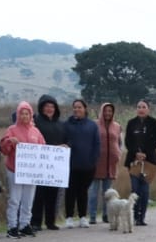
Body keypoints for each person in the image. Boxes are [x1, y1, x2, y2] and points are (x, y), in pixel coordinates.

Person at [0, 101, 45, 238]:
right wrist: (9, 142)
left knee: (28, 199)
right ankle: (12, 226)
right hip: (15, 169)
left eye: (27, 113)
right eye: (22, 113)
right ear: (18, 114)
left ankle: (25, 224)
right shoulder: (11, 129)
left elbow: (43, 148)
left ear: (31, 115)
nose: (24, 116)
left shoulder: (35, 131)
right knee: (14, 199)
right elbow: (4, 149)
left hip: (31, 172)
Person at [62, 99, 101, 228]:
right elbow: (64, 141)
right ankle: (69, 217)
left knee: (83, 191)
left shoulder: (92, 125)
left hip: (88, 165)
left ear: (85, 109)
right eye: (75, 107)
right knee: (70, 192)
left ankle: (83, 216)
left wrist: (93, 161)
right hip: (71, 165)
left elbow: (97, 144)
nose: (77, 110)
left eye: (79, 107)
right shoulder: (67, 125)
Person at [124, 99, 156, 227]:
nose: (141, 109)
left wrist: (145, 153)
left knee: (144, 190)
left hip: (149, 162)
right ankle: (133, 216)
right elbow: (128, 142)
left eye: (143, 107)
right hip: (134, 161)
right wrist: (136, 153)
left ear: (148, 109)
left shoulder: (154, 123)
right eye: (139, 107)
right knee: (135, 189)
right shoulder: (131, 123)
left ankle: (141, 217)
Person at [31, 95, 65, 230]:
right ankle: (36, 222)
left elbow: (67, 139)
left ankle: (51, 221)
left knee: (53, 193)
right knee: (38, 194)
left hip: (55, 165)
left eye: (52, 106)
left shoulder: (61, 124)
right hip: (39, 164)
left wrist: (66, 145)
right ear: (41, 107)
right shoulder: (35, 122)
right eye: (46, 106)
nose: (49, 109)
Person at [88, 102, 122, 225]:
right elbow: (89, 142)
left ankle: (107, 215)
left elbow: (119, 142)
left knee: (108, 193)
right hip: (97, 163)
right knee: (93, 192)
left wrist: (118, 154)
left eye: (110, 111)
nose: (108, 113)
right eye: (106, 110)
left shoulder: (117, 126)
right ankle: (92, 216)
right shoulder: (94, 124)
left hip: (111, 164)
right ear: (102, 111)